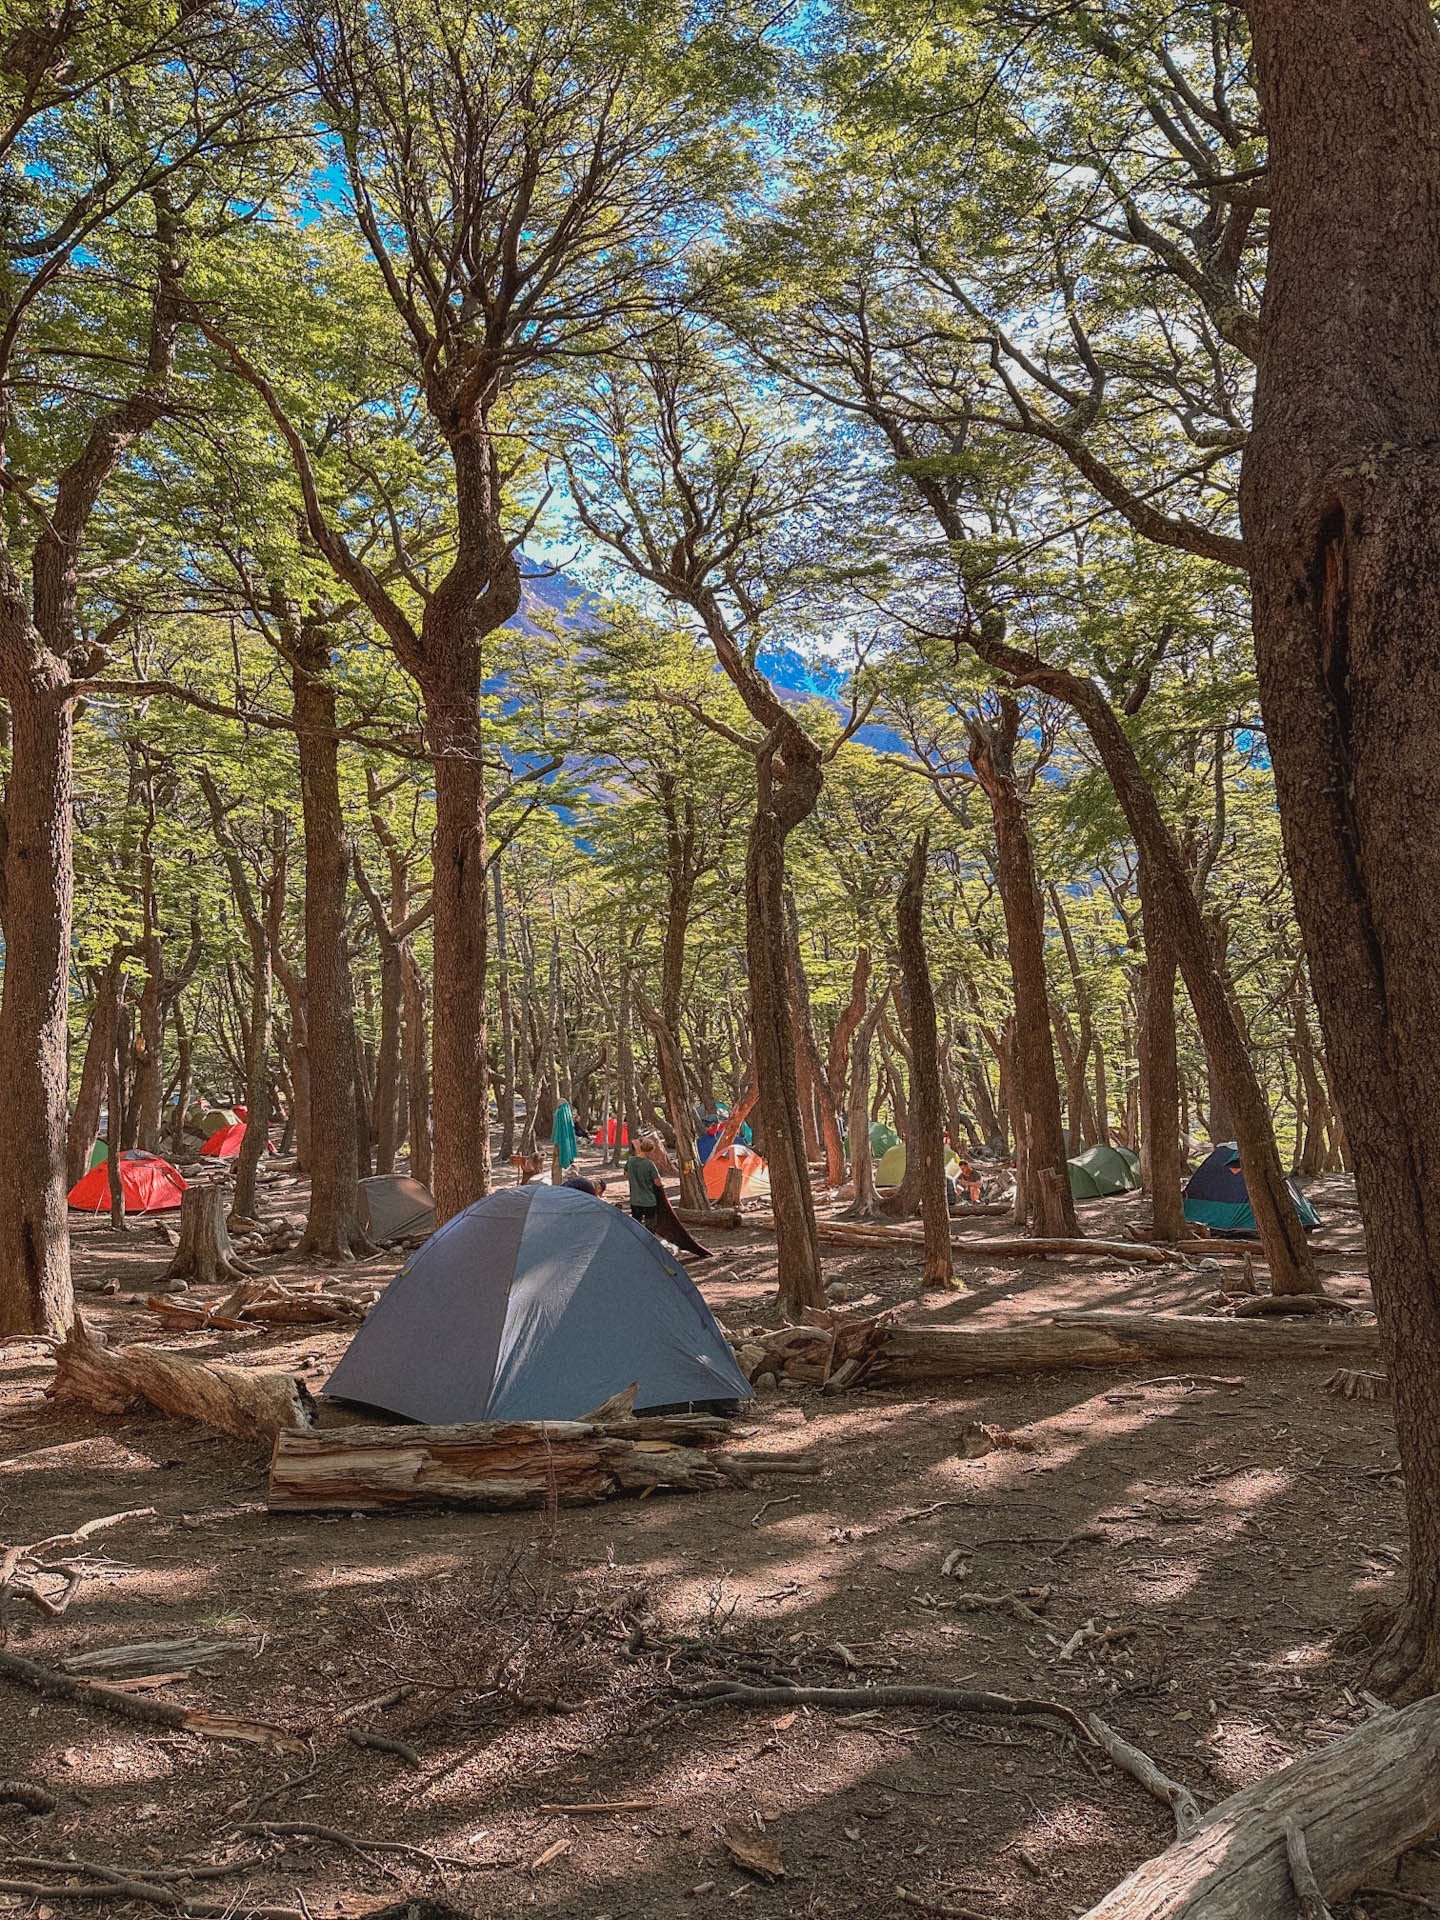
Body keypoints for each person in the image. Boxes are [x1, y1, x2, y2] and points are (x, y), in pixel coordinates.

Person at [627, 1137, 662, 1230]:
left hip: (635, 1200)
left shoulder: (630, 1161)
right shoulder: (650, 1164)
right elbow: (658, 1183)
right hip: (649, 1201)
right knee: (650, 1227)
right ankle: (649, 1243)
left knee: (636, 1226)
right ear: (651, 1151)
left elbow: (626, 1175)